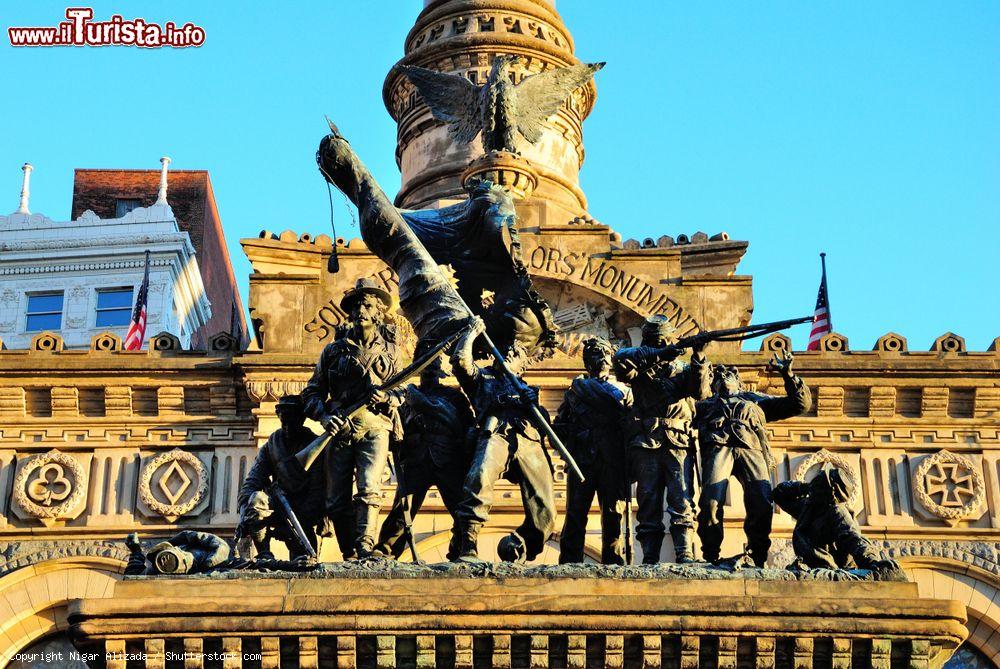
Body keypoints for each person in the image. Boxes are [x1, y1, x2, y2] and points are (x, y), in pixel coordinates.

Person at [301, 277, 403, 559]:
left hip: (375, 427)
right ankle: (349, 552)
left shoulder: (392, 351)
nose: (361, 310)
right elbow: (311, 394)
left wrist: (387, 398)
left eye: (368, 305)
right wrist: (324, 417)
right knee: (335, 501)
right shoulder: (332, 352)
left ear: (378, 312)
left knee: (370, 487)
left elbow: (403, 391)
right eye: (357, 305)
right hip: (340, 430)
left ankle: (366, 545)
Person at [451, 317, 556, 562]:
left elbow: (547, 430)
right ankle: (468, 542)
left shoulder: (530, 391)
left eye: (516, 351)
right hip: (495, 433)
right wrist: (471, 333)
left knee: (546, 511)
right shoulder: (483, 380)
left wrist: (534, 407)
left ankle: (519, 545)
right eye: (507, 349)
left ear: (524, 365)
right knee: (479, 477)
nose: (510, 352)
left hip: (527, 439)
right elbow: (460, 362)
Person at [695, 350, 811, 567]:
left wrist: (788, 375)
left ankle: (757, 555)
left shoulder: (755, 400)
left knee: (761, 501)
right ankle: (710, 554)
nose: (723, 376)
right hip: (718, 449)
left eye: (729, 374)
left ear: (739, 382)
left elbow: (800, 405)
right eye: (718, 375)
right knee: (710, 501)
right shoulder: (704, 405)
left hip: (752, 450)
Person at [612, 315, 709, 564]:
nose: (663, 344)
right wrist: (660, 354)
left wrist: (698, 355)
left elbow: (700, 391)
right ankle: (650, 557)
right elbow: (620, 361)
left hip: (678, 442)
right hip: (647, 442)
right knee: (648, 500)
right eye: (657, 341)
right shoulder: (639, 368)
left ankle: (685, 552)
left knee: (682, 497)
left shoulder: (685, 370)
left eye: (666, 340)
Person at [375, 356, 475, 560]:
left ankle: (463, 547)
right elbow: (395, 424)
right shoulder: (406, 396)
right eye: (426, 368)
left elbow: (467, 424)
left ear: (441, 371)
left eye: (434, 368)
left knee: (460, 507)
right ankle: (387, 547)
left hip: (447, 458)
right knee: (403, 508)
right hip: (416, 458)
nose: (430, 372)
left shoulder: (453, 396)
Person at [555, 337, 632, 564]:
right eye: (595, 355)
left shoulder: (623, 391)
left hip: (611, 461)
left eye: (604, 354)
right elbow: (560, 425)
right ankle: (570, 561)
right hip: (581, 460)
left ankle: (614, 560)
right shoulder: (575, 391)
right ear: (587, 362)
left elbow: (631, 425)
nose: (601, 359)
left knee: (612, 514)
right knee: (576, 513)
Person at [236, 394, 323, 559]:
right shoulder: (272, 444)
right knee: (257, 500)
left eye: (293, 421)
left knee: (305, 557)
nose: (288, 427)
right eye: (284, 421)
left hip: (304, 508)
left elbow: (319, 488)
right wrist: (244, 510)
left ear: (302, 419)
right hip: (278, 501)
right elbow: (254, 480)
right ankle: (264, 554)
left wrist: (305, 516)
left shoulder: (314, 444)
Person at [772, 468, 898, 572]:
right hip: (812, 566)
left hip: (833, 568)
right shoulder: (809, 506)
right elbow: (779, 494)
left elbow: (854, 538)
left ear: (829, 491)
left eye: (822, 479)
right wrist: (805, 487)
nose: (817, 478)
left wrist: (872, 562)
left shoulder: (837, 512)